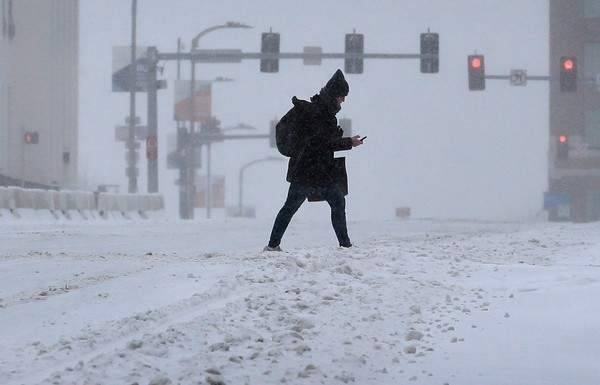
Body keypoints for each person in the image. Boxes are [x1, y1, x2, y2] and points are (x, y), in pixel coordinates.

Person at [264, 69, 364, 251]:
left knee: (291, 207)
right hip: (314, 171)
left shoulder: (316, 110)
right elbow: (324, 143)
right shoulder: (321, 114)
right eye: (342, 96)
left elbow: (319, 142)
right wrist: (349, 142)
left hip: (304, 169)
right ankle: (345, 246)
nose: (343, 100)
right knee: (336, 202)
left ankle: (272, 245)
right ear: (334, 95)